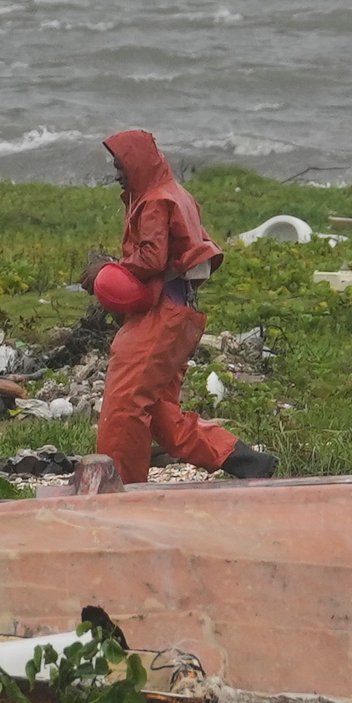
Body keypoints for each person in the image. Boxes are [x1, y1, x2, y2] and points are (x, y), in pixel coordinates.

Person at [82, 129, 276, 483]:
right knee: (159, 413)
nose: (116, 173)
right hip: (183, 314)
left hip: (160, 317)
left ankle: (119, 487)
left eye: (121, 164)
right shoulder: (177, 193)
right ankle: (246, 461)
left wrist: (107, 270)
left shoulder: (155, 200)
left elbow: (152, 259)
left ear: (137, 162)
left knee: (124, 403)